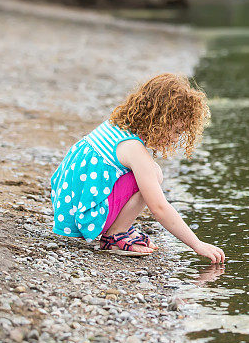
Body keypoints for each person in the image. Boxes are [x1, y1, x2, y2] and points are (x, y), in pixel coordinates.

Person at [50, 73, 225, 263]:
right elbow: (159, 207)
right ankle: (114, 236)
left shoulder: (116, 127)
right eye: (176, 131)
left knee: (150, 171)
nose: (176, 138)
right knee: (152, 175)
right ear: (159, 121)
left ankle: (115, 227)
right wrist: (197, 244)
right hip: (86, 217)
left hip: (70, 209)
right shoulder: (133, 148)